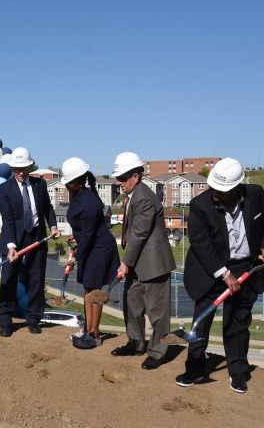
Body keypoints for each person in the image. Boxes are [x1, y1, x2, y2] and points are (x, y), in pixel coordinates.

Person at [176, 158, 264, 393]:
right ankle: (195, 369)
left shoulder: (255, 194)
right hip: (211, 269)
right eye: (213, 188)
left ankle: (238, 372)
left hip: (245, 267)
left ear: (235, 188)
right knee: (201, 322)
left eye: (221, 191)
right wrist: (224, 274)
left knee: (238, 322)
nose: (214, 194)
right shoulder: (200, 205)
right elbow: (201, 243)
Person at [110, 152, 176, 370]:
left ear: (136, 176)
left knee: (157, 313)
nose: (120, 183)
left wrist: (125, 263)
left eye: (123, 178)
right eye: (118, 178)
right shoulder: (132, 196)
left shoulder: (145, 198)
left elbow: (139, 234)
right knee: (132, 304)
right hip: (138, 263)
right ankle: (135, 342)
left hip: (154, 264)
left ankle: (157, 351)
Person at [0, 147, 59, 337]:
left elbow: (48, 208)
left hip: (37, 237)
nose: (20, 172)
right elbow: (7, 219)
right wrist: (11, 245)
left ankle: (33, 319)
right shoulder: (4, 188)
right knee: (8, 279)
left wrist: (54, 226)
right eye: (16, 169)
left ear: (30, 166)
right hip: (13, 239)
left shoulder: (40, 184)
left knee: (36, 279)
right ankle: (6, 321)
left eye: (23, 168)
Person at [61, 157, 120, 349]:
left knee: (94, 292)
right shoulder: (76, 194)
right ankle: (87, 329)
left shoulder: (89, 202)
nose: (67, 186)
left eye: (69, 183)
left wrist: (74, 259)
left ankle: (94, 335)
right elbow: (83, 232)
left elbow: (88, 235)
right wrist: (74, 237)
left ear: (79, 180)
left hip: (100, 249)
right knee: (87, 291)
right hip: (89, 245)